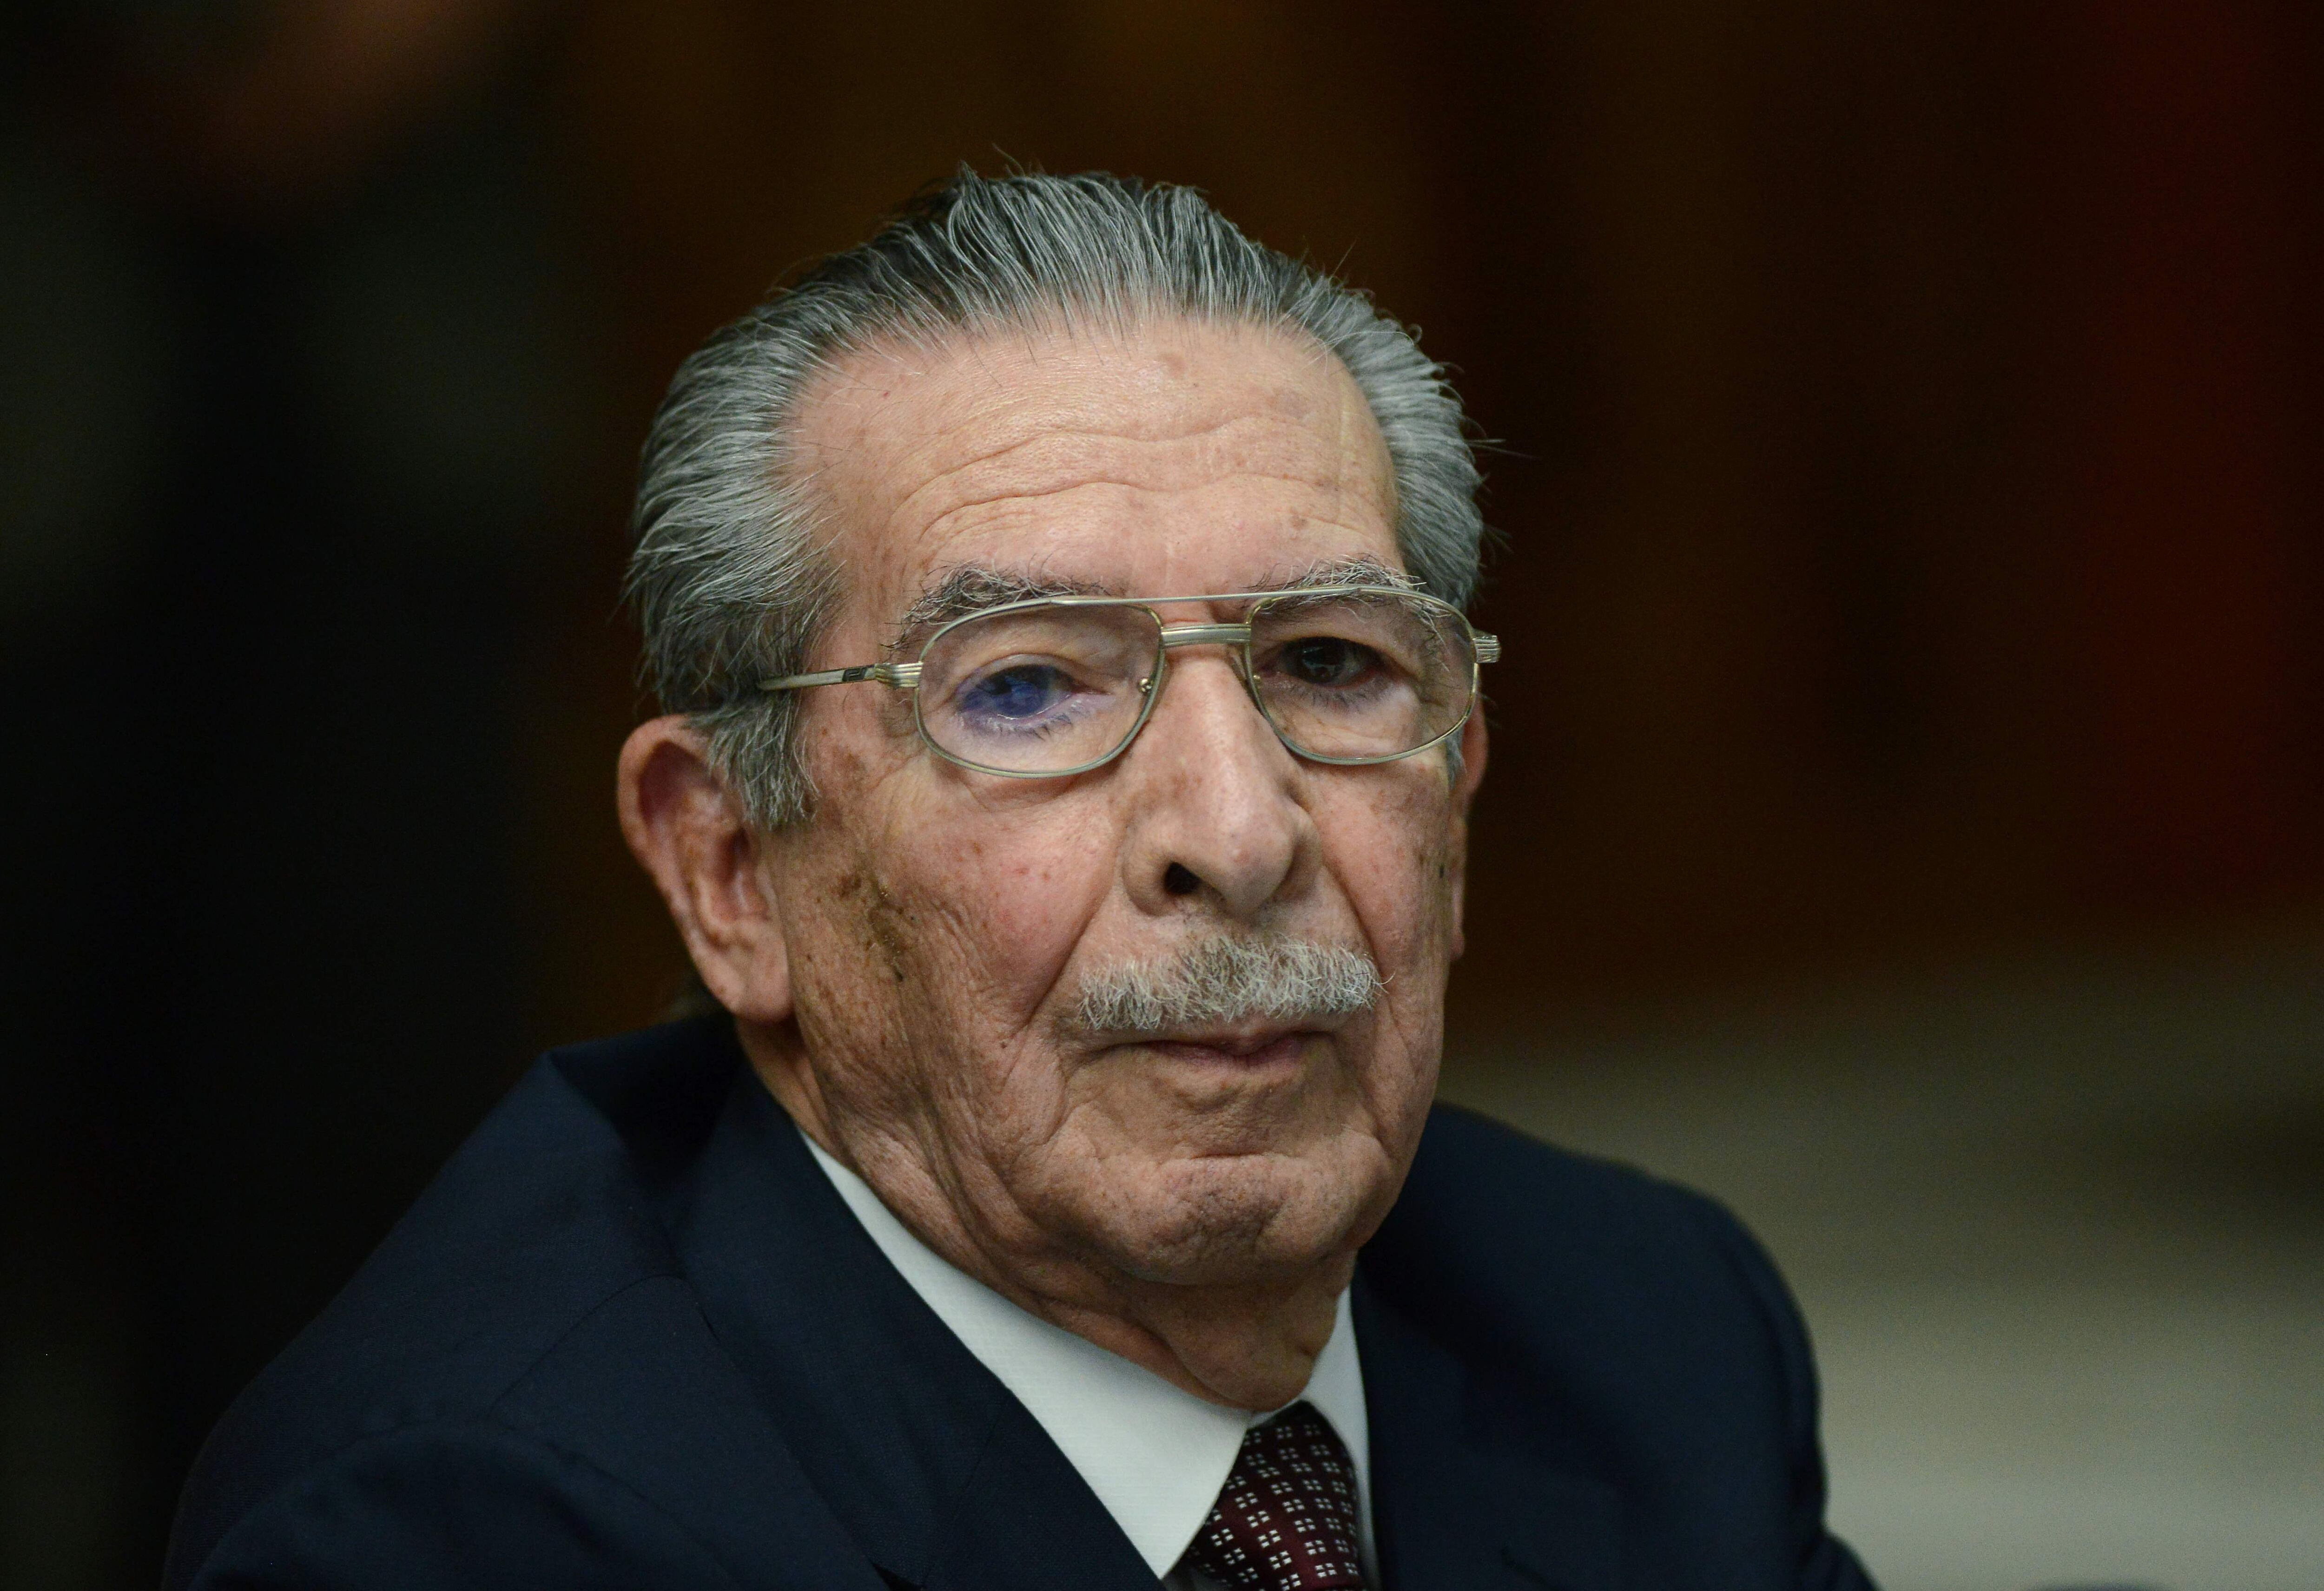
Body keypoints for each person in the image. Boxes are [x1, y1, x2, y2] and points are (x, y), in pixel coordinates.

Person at [165, 170, 1876, 1591]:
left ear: (1458, 797)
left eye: (1331, 663)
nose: (1241, 831)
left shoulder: (1645, 1329)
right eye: (1029, 690)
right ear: (731, 867)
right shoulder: (477, 1533)